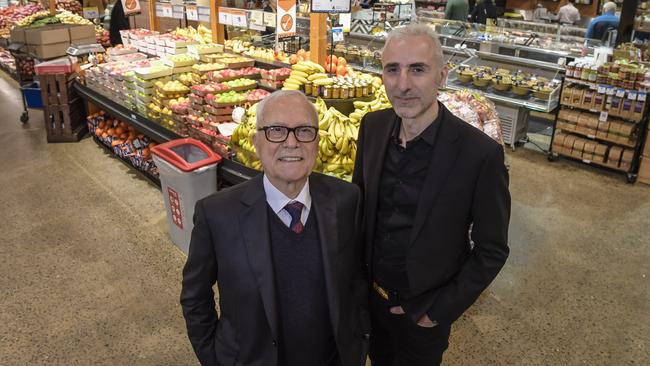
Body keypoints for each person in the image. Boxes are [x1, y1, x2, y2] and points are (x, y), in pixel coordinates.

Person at [352, 24, 511, 365]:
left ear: (442, 76)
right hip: (370, 303)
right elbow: (360, 208)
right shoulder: (373, 127)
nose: (403, 84)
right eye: (392, 69)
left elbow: (492, 249)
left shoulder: (479, 154)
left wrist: (438, 312)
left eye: (417, 69)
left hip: (423, 315)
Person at [181, 90, 369, 366]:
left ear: (317, 141)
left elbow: (356, 279)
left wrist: (359, 340)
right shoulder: (217, 214)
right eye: (276, 131)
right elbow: (195, 297)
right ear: (256, 142)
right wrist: (215, 358)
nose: (291, 143)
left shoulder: (346, 199)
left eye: (304, 131)